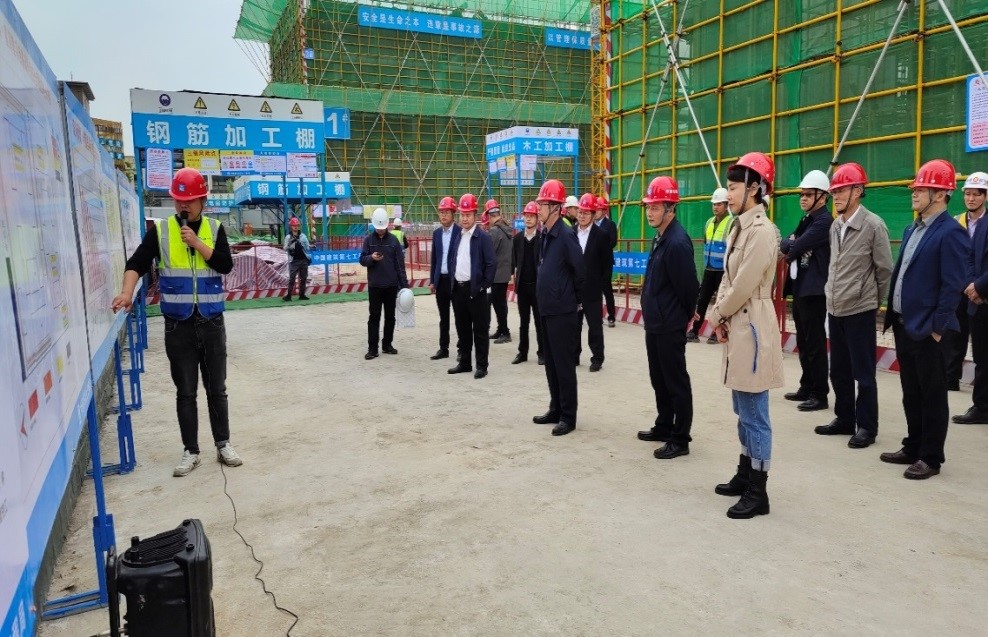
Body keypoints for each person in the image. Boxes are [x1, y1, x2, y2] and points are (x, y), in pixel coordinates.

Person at [110, 168, 242, 477]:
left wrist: (198, 243)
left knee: (217, 389)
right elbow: (137, 263)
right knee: (186, 390)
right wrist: (126, 292)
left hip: (211, 321)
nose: (184, 205)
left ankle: (223, 444)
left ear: (203, 201)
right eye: (180, 200)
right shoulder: (161, 231)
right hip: (177, 325)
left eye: (191, 200)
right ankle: (191, 451)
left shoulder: (215, 228)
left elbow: (225, 264)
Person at [880, 159, 968, 480]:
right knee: (911, 391)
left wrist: (937, 329)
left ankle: (930, 457)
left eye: (921, 188)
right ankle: (913, 445)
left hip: (929, 330)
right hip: (905, 324)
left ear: (941, 194)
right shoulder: (912, 228)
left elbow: (953, 286)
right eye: (914, 188)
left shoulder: (951, 233)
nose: (914, 193)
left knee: (932, 395)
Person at [709, 152, 783, 519]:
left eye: (734, 187)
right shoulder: (738, 226)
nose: (729, 193)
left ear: (754, 188)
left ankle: (759, 490)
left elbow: (744, 284)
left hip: (752, 324)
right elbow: (727, 277)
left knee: (755, 413)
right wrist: (720, 314)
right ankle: (745, 471)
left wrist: (717, 313)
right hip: (738, 322)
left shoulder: (762, 231)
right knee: (742, 408)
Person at [817, 163, 893, 449]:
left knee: (864, 373)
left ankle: (867, 427)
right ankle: (844, 418)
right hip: (835, 307)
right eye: (834, 191)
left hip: (860, 309)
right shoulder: (836, 225)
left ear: (859, 191)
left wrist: (871, 300)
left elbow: (884, 269)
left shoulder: (873, 225)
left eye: (842, 190)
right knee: (838, 370)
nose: (836, 196)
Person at [636, 176, 699, 459]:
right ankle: (664, 425)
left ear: (670, 209)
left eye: (655, 207)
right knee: (658, 378)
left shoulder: (676, 242)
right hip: (656, 322)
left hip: (669, 324)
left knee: (675, 381)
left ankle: (680, 437)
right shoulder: (661, 237)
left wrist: (684, 317)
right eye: (648, 207)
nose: (649, 212)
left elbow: (688, 287)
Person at [532, 180, 585, 436]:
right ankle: (555, 408)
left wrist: (573, 301)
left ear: (555, 207)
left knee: (563, 365)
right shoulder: (545, 234)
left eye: (543, 204)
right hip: (547, 308)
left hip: (563, 311)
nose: (538, 208)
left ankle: (568, 416)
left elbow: (580, 272)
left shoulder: (565, 235)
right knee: (551, 363)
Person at [780, 170, 833, 412]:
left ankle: (819, 393)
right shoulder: (807, 220)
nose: (803, 198)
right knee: (803, 340)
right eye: (802, 194)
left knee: (814, 343)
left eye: (808, 194)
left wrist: (793, 244)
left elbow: (797, 244)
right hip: (802, 287)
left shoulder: (824, 222)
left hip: (814, 290)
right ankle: (806, 385)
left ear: (822, 197)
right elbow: (786, 244)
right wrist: (792, 244)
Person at [945, 171, 987, 394]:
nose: (971, 199)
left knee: (981, 341)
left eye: (976, 194)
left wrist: (977, 286)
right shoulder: (956, 222)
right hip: (959, 286)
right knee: (954, 334)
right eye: (967, 194)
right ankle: (951, 378)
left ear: (985, 197)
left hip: (981, 290)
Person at [446, 193, 496, 379]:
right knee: (463, 329)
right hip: (458, 290)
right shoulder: (458, 236)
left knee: (480, 331)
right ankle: (465, 363)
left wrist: (483, 285)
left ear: (475, 215)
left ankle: (482, 365)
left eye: (468, 215)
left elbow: (491, 264)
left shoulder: (483, 237)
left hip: (476, 291)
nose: (465, 218)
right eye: (462, 215)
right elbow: (453, 259)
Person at [359, 207, 409, 360]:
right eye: (378, 227)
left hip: (391, 285)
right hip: (375, 285)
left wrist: (404, 286)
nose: (380, 230)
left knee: (390, 317)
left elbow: (400, 264)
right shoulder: (368, 240)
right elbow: (362, 259)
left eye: (383, 227)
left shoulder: (393, 241)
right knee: (374, 317)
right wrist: (371, 258)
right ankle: (372, 348)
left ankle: (387, 344)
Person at [688, 188, 732, 344]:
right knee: (702, 301)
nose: (715, 207)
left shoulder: (732, 223)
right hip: (709, 269)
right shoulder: (709, 222)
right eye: (714, 204)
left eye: (719, 204)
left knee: (721, 303)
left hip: (723, 271)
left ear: (726, 205)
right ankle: (694, 331)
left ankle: (717, 333)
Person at [574, 193, 610, 371]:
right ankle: (574, 356)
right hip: (573, 289)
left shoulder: (601, 235)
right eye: (580, 212)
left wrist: (600, 286)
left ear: (594, 214)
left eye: (586, 213)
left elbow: (606, 264)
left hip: (592, 289)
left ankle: (597, 358)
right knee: (573, 326)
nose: (582, 216)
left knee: (595, 326)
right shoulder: (570, 233)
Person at [511, 201, 544, 365]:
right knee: (523, 322)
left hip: (537, 288)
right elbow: (513, 261)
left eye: (532, 216)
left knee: (539, 322)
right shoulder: (517, 239)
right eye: (526, 216)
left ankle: (542, 353)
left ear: (537, 218)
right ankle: (522, 353)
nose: (528, 219)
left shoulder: (542, 238)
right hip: (523, 287)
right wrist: (512, 277)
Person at [428, 196, 461, 360]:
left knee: (460, 316)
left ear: (453, 214)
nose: (444, 216)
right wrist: (432, 280)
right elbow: (434, 258)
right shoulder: (436, 234)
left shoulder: (460, 232)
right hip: (440, 281)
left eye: (447, 212)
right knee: (443, 317)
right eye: (441, 212)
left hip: (455, 281)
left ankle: (462, 349)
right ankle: (443, 348)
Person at [486, 199, 514, 343]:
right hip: (504, 272)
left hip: (496, 274)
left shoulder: (495, 231)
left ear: (490, 216)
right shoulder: (507, 228)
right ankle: (501, 329)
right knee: (500, 303)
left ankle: (505, 332)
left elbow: (489, 252)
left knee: (498, 304)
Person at [593, 195, 618, 327]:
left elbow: (613, 241)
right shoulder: (591, 225)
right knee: (595, 290)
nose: (595, 212)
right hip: (593, 263)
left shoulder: (610, 225)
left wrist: (600, 248)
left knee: (607, 289)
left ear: (604, 211)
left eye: (597, 210)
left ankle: (611, 316)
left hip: (606, 262)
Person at [282, 216, 311, 302]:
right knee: (292, 278)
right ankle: (289, 296)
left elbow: (307, 247)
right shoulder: (288, 237)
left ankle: (302, 295)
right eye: (294, 225)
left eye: (297, 225)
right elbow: (284, 248)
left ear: (298, 226)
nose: (295, 227)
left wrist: (307, 246)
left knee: (304, 278)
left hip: (303, 260)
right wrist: (290, 244)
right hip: (293, 261)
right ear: (291, 226)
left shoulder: (303, 236)